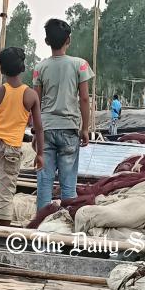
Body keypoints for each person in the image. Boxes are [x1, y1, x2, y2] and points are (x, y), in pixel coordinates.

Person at [32, 18, 94, 211]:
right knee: (68, 183)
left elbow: (36, 101)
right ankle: (67, 224)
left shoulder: (39, 68)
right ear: (69, 40)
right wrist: (85, 128)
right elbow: (84, 99)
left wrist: (35, 132)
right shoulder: (80, 65)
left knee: (44, 181)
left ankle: (40, 225)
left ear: (46, 41)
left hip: (46, 129)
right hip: (69, 129)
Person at [0, 47, 44, 226]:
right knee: (6, 189)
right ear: (23, 68)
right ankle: (3, 231)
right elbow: (39, 128)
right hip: (12, 146)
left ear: (2, 70)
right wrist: (40, 154)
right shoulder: (31, 95)